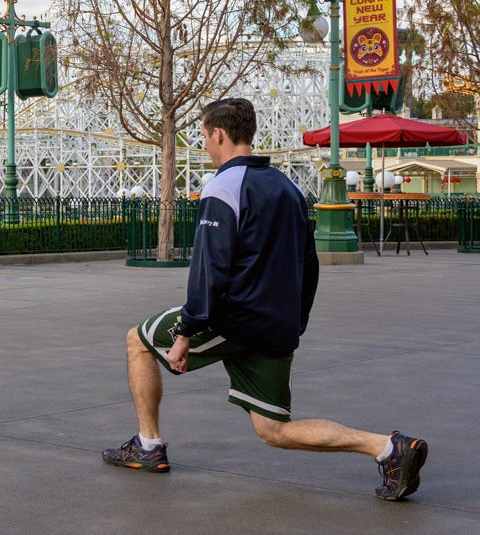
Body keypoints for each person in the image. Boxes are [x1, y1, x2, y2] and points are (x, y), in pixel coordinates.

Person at [104, 97, 428, 500]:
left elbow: (210, 270)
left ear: (218, 134)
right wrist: (295, 324)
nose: (203, 145)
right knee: (273, 430)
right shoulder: (289, 188)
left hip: (232, 319)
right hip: (276, 324)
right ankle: (387, 448)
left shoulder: (222, 186)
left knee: (137, 340)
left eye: (203, 137)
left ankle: (148, 447)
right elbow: (308, 265)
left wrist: (186, 332)